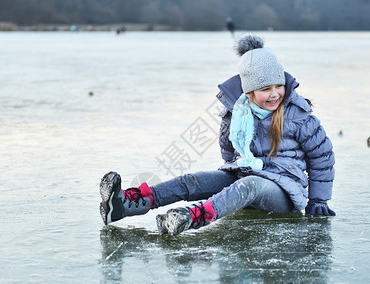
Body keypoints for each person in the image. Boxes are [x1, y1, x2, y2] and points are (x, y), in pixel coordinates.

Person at [99, 34, 335, 236]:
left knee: (249, 186)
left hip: (283, 190)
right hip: (244, 172)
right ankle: (128, 204)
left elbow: (322, 157)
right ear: (249, 91)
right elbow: (229, 151)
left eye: (278, 86)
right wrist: (227, 183)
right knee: (193, 180)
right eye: (265, 89)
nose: (275, 94)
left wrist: (318, 200)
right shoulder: (236, 113)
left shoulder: (298, 114)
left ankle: (190, 216)